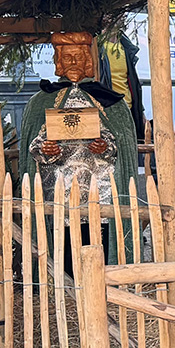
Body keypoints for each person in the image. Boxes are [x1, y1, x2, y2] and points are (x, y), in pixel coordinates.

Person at [18, 31, 137, 266]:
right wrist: (45, 150)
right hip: (58, 190)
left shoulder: (109, 100)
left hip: (99, 189)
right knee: (64, 244)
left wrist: (104, 147)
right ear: (58, 63)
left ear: (88, 61)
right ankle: (64, 280)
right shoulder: (40, 102)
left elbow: (121, 143)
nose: (73, 63)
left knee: (96, 236)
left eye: (78, 58)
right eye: (68, 58)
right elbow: (33, 145)